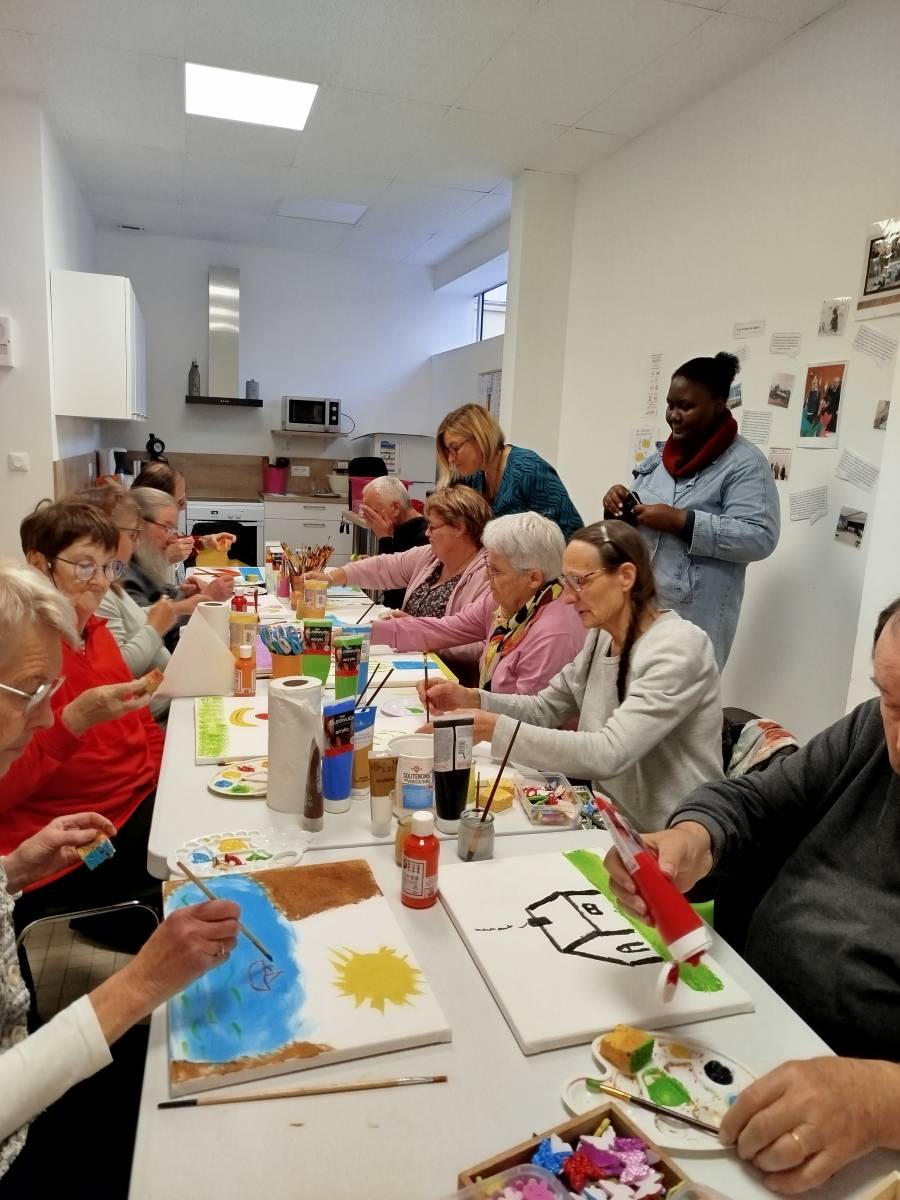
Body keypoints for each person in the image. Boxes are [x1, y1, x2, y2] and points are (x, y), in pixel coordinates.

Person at [604, 597, 900, 1195]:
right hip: (744, 1029)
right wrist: (693, 839)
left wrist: (882, 1101)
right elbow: (755, 801)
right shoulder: (869, 731)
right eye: (893, 701)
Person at [0, 560, 241, 1193]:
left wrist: (12, 871)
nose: (48, 719)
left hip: (30, 1052)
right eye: (29, 692)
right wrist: (139, 983)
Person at [420, 520, 723, 830]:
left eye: (580, 581)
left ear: (626, 576)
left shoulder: (677, 647)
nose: (567, 597)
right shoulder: (601, 637)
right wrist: (473, 699)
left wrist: (493, 729)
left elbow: (609, 753)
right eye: (566, 582)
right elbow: (544, 708)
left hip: (673, 837)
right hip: (610, 821)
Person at [3, 502, 164, 935]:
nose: (101, 582)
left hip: (137, 803)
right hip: (84, 845)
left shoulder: (96, 631)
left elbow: (142, 720)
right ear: (39, 563)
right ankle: (107, 916)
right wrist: (72, 721)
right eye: (85, 566)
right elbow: (6, 788)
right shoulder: (24, 660)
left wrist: (163, 781)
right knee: (203, 862)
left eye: (109, 567)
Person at [603, 352, 779, 668]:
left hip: (694, 621)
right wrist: (617, 505)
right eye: (670, 405)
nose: (674, 415)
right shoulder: (660, 459)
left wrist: (683, 522)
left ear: (718, 404)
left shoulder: (746, 465)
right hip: (639, 607)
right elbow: (633, 526)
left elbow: (760, 536)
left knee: (677, 695)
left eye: (685, 406)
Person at [370, 513, 585, 696]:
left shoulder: (554, 634)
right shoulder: (505, 603)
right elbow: (444, 629)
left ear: (533, 578)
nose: (485, 577)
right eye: (488, 567)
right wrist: (365, 634)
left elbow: (527, 718)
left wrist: (468, 701)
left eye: (496, 571)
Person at [304, 487, 492, 677]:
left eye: (433, 527)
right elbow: (383, 567)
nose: (427, 533)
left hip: (447, 678)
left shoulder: (489, 576)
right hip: (409, 664)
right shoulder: (430, 557)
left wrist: (419, 634)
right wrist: (331, 578)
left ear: (459, 528)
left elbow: (483, 647)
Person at [72, 485, 176, 723]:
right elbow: (121, 675)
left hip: (157, 707)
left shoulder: (111, 583)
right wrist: (155, 629)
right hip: (158, 712)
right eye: (133, 534)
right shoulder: (95, 595)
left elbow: (130, 619)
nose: (137, 543)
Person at [436, 403, 583, 538]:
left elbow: (571, 531)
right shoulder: (473, 476)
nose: (451, 459)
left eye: (455, 448)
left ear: (480, 437)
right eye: (448, 452)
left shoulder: (527, 468)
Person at [124, 488, 233, 651]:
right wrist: (206, 599)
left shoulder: (141, 561)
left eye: (172, 530)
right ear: (138, 524)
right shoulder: (123, 574)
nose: (172, 539)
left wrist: (183, 593)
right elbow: (149, 628)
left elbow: (158, 599)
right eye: (165, 528)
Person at [130, 461, 235, 570]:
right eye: (180, 502)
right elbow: (133, 577)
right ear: (155, 503)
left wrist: (204, 542)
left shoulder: (148, 527)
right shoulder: (130, 540)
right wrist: (166, 559)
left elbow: (178, 545)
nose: (172, 539)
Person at [357, 476, 428, 609]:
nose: (368, 519)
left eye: (373, 513)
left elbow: (394, 595)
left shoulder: (425, 537)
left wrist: (384, 538)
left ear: (395, 508)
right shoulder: (399, 529)